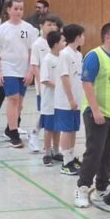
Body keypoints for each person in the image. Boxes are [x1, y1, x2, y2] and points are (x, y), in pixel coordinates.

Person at [74, 22, 110, 208]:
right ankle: (82, 188)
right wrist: (95, 110)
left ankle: (101, 187)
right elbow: (87, 83)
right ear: (108, 37)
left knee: (109, 154)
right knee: (94, 152)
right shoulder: (95, 56)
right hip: (96, 112)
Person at [0, 0, 38, 148]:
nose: (18, 11)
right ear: (8, 10)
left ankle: (10, 128)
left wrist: (31, 71)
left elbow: (33, 51)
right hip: (8, 68)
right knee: (13, 99)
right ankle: (14, 134)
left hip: (24, 69)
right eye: (15, 8)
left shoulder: (29, 29)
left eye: (21, 9)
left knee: (20, 103)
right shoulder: (1, 29)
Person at [27, 14, 63, 153]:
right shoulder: (37, 44)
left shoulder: (59, 43)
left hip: (58, 87)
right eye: (49, 24)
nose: (52, 27)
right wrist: (41, 83)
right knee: (46, 113)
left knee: (54, 114)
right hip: (45, 86)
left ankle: (54, 146)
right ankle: (35, 134)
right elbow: (35, 65)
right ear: (41, 26)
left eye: (54, 25)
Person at [55, 24, 85, 176]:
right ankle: (65, 162)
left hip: (77, 100)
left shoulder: (78, 54)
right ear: (77, 37)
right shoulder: (64, 54)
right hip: (65, 101)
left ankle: (71, 158)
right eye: (82, 35)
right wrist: (71, 98)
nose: (84, 38)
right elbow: (65, 78)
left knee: (73, 129)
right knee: (67, 130)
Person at [39, 30, 64, 166]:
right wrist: (60, 86)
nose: (65, 43)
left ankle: (56, 150)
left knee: (57, 127)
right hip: (49, 101)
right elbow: (45, 79)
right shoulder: (47, 59)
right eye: (63, 41)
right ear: (55, 44)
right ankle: (47, 153)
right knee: (48, 128)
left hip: (59, 100)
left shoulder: (63, 58)